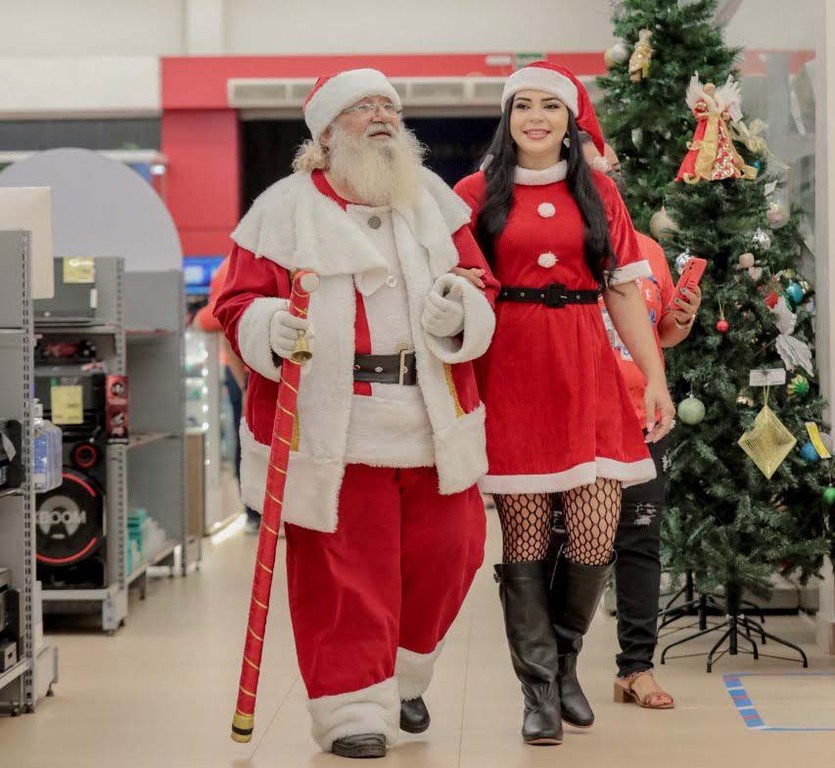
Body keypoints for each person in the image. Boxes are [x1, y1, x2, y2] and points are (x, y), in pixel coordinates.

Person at [214, 68, 498, 760]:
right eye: (362, 106)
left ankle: (403, 676)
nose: (381, 116)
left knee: (451, 553)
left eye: (387, 106)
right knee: (343, 573)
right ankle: (350, 708)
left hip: (431, 416)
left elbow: (478, 279)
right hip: (333, 425)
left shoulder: (431, 199)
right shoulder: (281, 211)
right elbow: (236, 303)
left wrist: (460, 307)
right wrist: (269, 325)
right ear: (326, 131)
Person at [454, 61, 675, 746]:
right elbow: (455, 291)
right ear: (507, 117)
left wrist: (655, 375)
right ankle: (538, 691)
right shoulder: (472, 191)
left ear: (569, 120)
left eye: (550, 106)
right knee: (522, 537)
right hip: (513, 369)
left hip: (586, 367)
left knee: (592, 533)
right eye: (522, 105)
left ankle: (565, 661)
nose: (535, 117)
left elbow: (621, 291)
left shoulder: (598, 191)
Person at [576, 136, 701, 709]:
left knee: (640, 541)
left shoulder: (646, 249)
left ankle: (636, 668)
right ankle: (555, 669)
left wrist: (680, 319)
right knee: (568, 545)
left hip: (641, 419)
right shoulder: (557, 243)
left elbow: (660, 336)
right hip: (574, 417)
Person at [194, 258, 262, 533]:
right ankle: (254, 513)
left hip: (260, 370)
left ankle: (266, 512)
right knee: (249, 440)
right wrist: (244, 384)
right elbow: (218, 322)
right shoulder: (234, 264)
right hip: (247, 373)